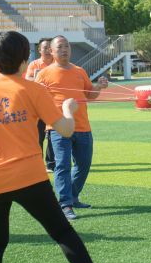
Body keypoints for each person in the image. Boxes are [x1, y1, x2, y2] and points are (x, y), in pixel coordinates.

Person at [0, 31, 126, 263]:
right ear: (26, 60)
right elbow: (63, 129)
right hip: (29, 176)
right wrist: (68, 109)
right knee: (62, 232)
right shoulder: (34, 89)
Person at [35, 35, 108, 219]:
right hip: (58, 127)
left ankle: (72, 196)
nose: (64, 49)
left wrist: (98, 86)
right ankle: (65, 204)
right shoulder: (43, 74)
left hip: (82, 126)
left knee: (84, 165)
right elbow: (35, 99)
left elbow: (89, 95)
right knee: (63, 165)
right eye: (60, 47)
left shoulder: (79, 71)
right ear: (51, 51)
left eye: (67, 46)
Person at [26, 38, 56, 173]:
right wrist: (39, 81)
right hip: (37, 107)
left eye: (50, 48)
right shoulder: (34, 64)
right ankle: (38, 163)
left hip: (53, 105)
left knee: (52, 134)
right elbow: (28, 79)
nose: (48, 50)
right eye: (45, 48)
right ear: (39, 50)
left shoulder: (57, 64)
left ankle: (51, 164)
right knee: (38, 136)